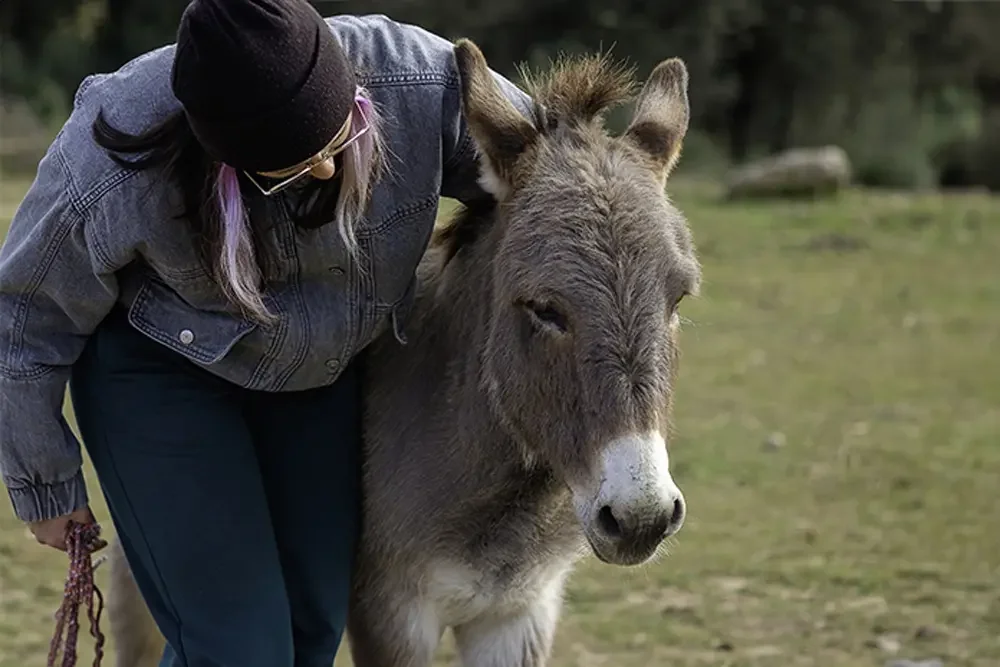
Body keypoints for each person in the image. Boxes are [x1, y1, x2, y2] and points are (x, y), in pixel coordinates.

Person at [0, 1, 534, 665]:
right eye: (286, 167)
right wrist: (45, 483)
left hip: (318, 368)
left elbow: (557, 165)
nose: (323, 172)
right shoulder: (109, 159)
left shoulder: (423, 82)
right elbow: (21, 317)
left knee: (311, 628)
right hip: (163, 367)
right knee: (238, 648)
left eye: (340, 139)